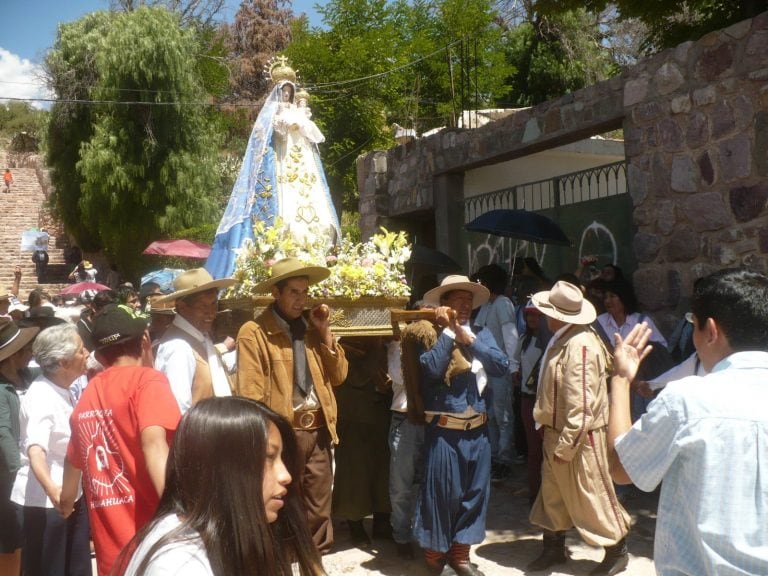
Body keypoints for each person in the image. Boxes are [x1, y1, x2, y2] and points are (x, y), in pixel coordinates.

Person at [608, 268, 768, 575]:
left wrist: (619, 379)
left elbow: (620, 467)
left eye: (693, 325)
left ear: (710, 331)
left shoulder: (687, 402)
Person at [116, 397, 325, 576]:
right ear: (224, 469)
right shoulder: (178, 566)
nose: (285, 476)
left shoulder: (218, 535)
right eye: (268, 457)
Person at [236, 257, 348, 554]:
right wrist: (267, 439)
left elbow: (338, 377)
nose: (301, 300)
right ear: (276, 292)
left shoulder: (312, 330)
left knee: (320, 502)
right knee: (281, 500)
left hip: (320, 429)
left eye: (305, 292)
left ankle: (315, 557)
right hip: (283, 431)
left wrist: (325, 334)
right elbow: (250, 393)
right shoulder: (254, 332)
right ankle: (280, 558)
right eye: (294, 293)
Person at [60, 304, 182, 576]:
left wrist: (66, 499)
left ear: (100, 355)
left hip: (112, 558)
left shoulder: (87, 396)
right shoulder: (148, 381)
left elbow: (73, 460)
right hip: (156, 548)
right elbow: (154, 444)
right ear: (145, 341)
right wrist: (180, 514)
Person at [527, 280, 630, 576]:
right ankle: (553, 547)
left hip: (579, 437)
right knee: (553, 493)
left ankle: (617, 549)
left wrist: (567, 445)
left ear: (557, 314)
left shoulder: (580, 345)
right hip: (556, 432)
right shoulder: (564, 337)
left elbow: (582, 404)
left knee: (592, 492)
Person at [206, 57, 341, 280]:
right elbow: (273, 135)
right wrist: (284, 126)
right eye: (284, 91)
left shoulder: (299, 111)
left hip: (303, 159)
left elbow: (316, 135)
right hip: (282, 158)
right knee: (286, 202)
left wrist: (302, 123)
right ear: (279, 92)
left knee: (313, 199)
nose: (287, 95)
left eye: (290, 91)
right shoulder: (273, 112)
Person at [414, 275, 509, 576]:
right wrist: (448, 333)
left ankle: (460, 557)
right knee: (442, 496)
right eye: (457, 302)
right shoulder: (427, 333)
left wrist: (471, 340)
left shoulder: (481, 334)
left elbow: (501, 365)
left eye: (468, 302)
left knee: (474, 495)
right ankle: (435, 559)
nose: (464, 307)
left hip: (478, 432)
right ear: (443, 306)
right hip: (445, 432)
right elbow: (429, 369)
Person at [10, 324, 91, 576]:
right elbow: (36, 449)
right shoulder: (42, 395)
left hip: (69, 496)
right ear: (63, 362)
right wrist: (54, 491)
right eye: (80, 350)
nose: (87, 353)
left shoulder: (62, 389)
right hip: (47, 504)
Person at [332, 336, 392, 547]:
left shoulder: (387, 343)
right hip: (354, 415)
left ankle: (382, 521)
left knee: (384, 469)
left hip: (382, 413)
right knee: (353, 471)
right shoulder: (346, 345)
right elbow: (353, 376)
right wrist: (375, 347)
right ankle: (355, 524)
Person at [154, 268, 236, 414]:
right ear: (182, 307)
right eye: (202, 306)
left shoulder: (201, 338)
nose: (210, 312)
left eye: (213, 304)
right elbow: (179, 409)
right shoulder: (178, 347)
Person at [595, 279, 672, 421]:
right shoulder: (598, 322)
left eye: (613, 296)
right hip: (612, 383)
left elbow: (661, 349)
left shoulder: (642, 321)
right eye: (605, 297)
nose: (608, 301)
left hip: (641, 382)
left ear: (623, 297)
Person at [470, 264, 519, 481]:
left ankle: (504, 459)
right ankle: (494, 455)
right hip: (486, 369)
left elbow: (511, 336)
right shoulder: (487, 306)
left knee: (503, 416)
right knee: (489, 415)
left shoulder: (502, 304)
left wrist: (514, 365)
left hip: (500, 369)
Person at [0, 319, 39, 575]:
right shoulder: (1, 389)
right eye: (26, 350)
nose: (31, 353)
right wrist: (19, 472)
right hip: (10, 477)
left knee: (26, 541)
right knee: (10, 544)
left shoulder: (30, 377)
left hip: (32, 471)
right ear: (13, 355)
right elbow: (2, 431)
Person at [515, 300, 546, 507]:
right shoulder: (524, 340)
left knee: (548, 450)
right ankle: (535, 493)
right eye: (529, 316)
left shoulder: (550, 342)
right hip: (527, 399)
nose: (533, 319)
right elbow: (515, 362)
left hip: (544, 402)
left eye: (536, 315)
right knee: (533, 450)